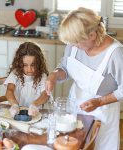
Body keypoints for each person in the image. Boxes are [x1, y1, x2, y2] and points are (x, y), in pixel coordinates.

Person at [45, 7, 123, 150]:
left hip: (102, 112)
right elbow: (65, 68)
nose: (73, 46)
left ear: (92, 35)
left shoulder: (115, 53)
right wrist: (55, 74)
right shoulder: (74, 44)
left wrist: (99, 101)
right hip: (76, 108)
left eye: (76, 42)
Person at [4, 42, 49, 117]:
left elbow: (45, 94)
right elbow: (9, 91)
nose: (29, 69)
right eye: (25, 65)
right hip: (17, 113)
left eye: (33, 64)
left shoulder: (42, 76)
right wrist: (14, 104)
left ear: (39, 63)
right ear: (19, 64)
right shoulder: (16, 74)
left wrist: (34, 104)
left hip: (35, 113)